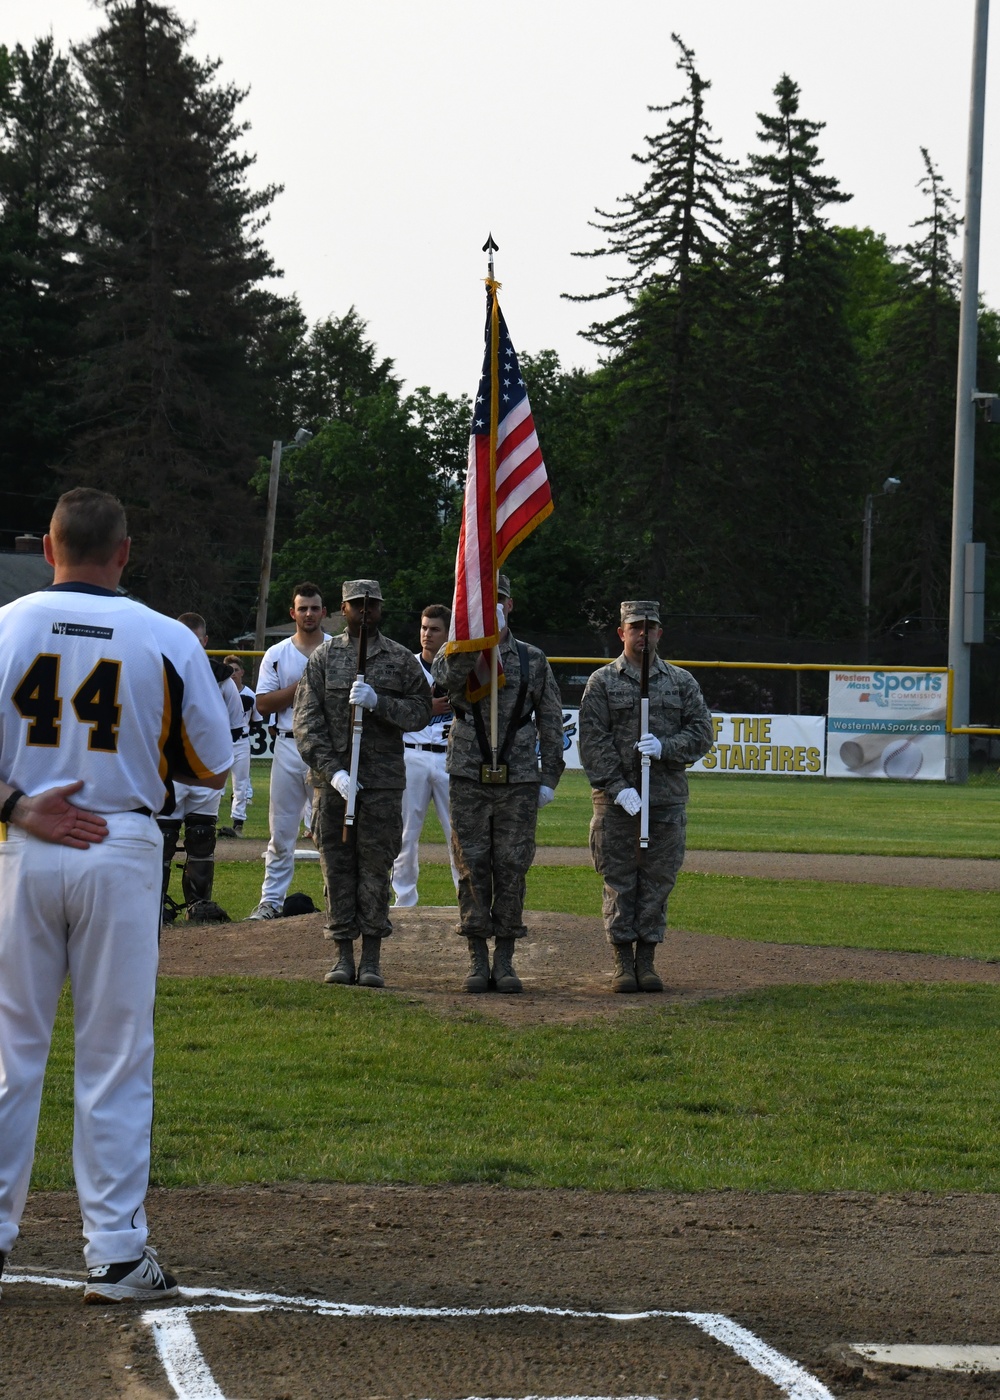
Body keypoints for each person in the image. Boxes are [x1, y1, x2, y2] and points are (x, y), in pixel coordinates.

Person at [0, 487, 231, 1304]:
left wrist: (20, 804)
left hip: (22, 844)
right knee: (114, 1055)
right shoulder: (165, 635)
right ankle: (117, 1254)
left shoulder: (5, 623)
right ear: (123, 551)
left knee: (9, 1051)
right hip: (121, 843)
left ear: (49, 545)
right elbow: (212, 763)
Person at [293, 579, 431, 987]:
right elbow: (306, 721)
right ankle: (341, 955)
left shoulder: (401, 660)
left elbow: (422, 712)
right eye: (357, 605)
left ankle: (371, 957)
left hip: (382, 784)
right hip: (333, 784)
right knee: (336, 867)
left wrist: (380, 703)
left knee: (376, 867)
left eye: (372, 605)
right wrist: (333, 770)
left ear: (381, 609)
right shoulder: (324, 657)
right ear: (343, 609)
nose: (364, 611)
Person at [434, 574, 564, 994]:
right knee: (472, 865)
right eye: (484, 601)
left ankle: (505, 958)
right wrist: (470, 643)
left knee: (512, 866)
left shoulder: (532, 659)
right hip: (469, 774)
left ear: (510, 605)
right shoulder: (454, 652)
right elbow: (444, 681)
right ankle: (476, 957)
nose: (493, 606)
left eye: (499, 600)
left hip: (519, 777)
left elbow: (550, 719)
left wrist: (550, 777)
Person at [578, 599, 714, 993]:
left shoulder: (681, 682)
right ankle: (622, 961)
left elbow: (702, 732)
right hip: (616, 802)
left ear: (659, 633)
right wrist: (619, 789)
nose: (642, 633)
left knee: (658, 879)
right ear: (621, 633)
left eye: (649, 626)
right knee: (619, 878)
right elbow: (593, 741)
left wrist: (666, 747)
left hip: (665, 799)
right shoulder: (602, 682)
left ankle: (648, 960)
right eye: (634, 626)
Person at [158, 613, 243, 923]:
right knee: (163, 838)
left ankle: (199, 905)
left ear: (205, 642)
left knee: (202, 835)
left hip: (204, 774)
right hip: (167, 772)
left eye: (194, 640)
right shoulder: (157, 670)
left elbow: (234, 727)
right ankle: (155, 905)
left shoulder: (221, 678)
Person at [249, 584, 327, 921]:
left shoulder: (338, 649)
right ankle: (270, 901)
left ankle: (337, 899)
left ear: (324, 612)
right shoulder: (278, 653)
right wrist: (303, 684)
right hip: (287, 742)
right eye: (303, 608)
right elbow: (263, 703)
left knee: (330, 827)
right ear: (292, 613)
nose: (309, 614)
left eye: (314, 607)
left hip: (328, 747)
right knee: (281, 831)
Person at [391, 603, 460, 907]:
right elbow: (391, 711)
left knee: (458, 835)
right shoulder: (406, 667)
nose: (427, 634)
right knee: (405, 834)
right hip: (413, 754)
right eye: (423, 627)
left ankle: (467, 900)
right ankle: (404, 900)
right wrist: (424, 709)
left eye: (434, 629)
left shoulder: (461, 668)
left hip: (450, 757)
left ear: (448, 633)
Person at [219, 653, 260, 837]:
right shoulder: (218, 690)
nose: (233, 674)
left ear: (242, 672)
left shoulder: (250, 695)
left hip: (241, 741)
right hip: (220, 740)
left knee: (241, 785)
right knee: (215, 783)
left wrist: (244, 731)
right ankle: (209, 819)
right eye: (230, 670)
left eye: (236, 670)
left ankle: (238, 824)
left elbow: (257, 722)